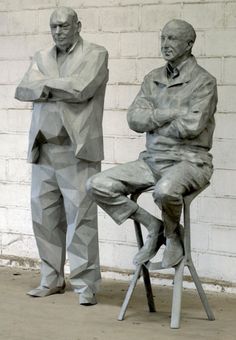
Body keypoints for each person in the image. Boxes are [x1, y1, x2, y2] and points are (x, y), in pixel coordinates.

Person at [87, 19, 217, 269]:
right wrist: (170, 113)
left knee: (165, 190)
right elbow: (134, 119)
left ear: (190, 44)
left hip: (190, 161)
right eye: (163, 38)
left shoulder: (204, 81)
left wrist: (153, 118)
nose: (165, 44)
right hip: (152, 159)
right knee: (97, 184)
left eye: (173, 39)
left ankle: (171, 235)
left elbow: (191, 127)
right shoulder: (152, 78)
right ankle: (153, 225)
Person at [15, 7, 108, 305]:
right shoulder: (41, 57)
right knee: (44, 216)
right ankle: (51, 278)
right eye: (53, 26)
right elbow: (22, 90)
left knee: (81, 219)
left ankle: (85, 284)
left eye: (64, 26)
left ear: (78, 25)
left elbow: (82, 88)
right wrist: (57, 87)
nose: (57, 32)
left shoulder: (96, 53)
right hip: (44, 149)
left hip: (77, 151)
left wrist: (43, 86)